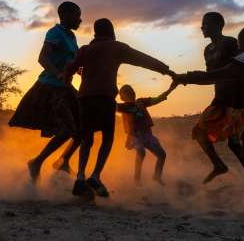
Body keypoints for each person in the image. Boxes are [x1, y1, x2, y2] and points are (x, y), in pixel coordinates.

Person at [174, 25, 244, 197]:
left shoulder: (240, 64)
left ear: (243, 42)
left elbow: (212, 76)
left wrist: (185, 77)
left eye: (240, 40)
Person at [65, 18, 174, 198]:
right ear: (112, 32)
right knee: (107, 138)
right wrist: (165, 69)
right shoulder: (117, 47)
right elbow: (143, 59)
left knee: (87, 139)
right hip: (105, 98)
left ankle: (80, 177)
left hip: (84, 99)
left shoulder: (85, 50)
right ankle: (95, 176)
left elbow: (69, 69)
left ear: (95, 33)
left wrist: (68, 80)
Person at [9, 1, 82, 182]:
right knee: (66, 131)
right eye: (77, 15)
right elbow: (42, 57)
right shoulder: (54, 33)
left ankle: (63, 161)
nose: (80, 19)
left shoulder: (71, 36)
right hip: (51, 87)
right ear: (65, 15)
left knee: (83, 128)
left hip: (66, 87)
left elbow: (73, 62)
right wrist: (57, 73)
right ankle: (37, 162)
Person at [192, 12, 244, 184]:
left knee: (203, 133)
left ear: (219, 25)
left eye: (205, 24)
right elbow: (211, 76)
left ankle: (230, 169)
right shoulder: (208, 50)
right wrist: (189, 79)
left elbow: (242, 67)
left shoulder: (230, 43)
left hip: (234, 99)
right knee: (231, 143)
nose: (202, 27)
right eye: (202, 24)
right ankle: (225, 167)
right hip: (220, 97)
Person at [117, 83, 177, 186]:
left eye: (128, 91)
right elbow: (108, 105)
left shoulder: (141, 102)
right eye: (125, 92)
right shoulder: (124, 107)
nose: (129, 94)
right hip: (135, 136)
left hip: (147, 135)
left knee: (162, 155)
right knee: (141, 152)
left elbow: (158, 99)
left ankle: (157, 177)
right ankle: (137, 179)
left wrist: (170, 89)